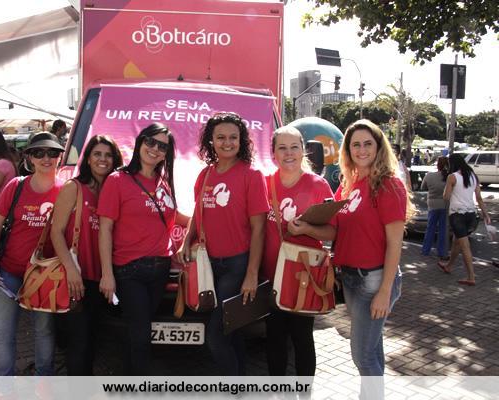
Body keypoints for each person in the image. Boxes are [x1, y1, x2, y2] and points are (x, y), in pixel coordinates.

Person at [179, 112, 269, 376]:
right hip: (208, 264)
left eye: (233, 137)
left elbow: (259, 229)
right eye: (220, 137)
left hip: (236, 266)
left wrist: (251, 274)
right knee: (232, 330)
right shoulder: (205, 175)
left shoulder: (252, 175)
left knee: (215, 336)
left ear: (242, 141)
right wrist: (186, 240)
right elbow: (198, 213)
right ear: (211, 141)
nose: (227, 143)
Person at [98, 123, 186, 375]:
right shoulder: (117, 180)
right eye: (150, 141)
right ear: (140, 142)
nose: (155, 149)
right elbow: (105, 229)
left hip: (161, 268)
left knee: (139, 330)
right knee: (141, 332)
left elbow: (175, 217)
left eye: (162, 146)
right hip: (129, 270)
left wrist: (202, 223)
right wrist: (107, 274)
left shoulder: (164, 182)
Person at [0, 132, 64, 375]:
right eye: (39, 153)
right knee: (4, 332)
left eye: (52, 152)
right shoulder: (16, 186)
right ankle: (5, 386)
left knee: (44, 330)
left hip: (45, 275)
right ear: (29, 158)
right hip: (9, 272)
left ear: (60, 156)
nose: (46, 158)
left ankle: (44, 381)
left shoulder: (67, 190)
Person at [332, 120, 412, 388]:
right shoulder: (349, 183)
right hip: (350, 278)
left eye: (368, 143)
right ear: (348, 150)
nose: (362, 149)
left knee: (362, 356)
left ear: (379, 147)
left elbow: (395, 244)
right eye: (355, 144)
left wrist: (385, 292)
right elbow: (336, 226)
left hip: (375, 281)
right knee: (372, 349)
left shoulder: (389, 185)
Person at [261, 126, 335, 377]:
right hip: (271, 277)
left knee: (302, 339)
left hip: (304, 278)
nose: (289, 153)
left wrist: (307, 229)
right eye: (282, 148)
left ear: (303, 151)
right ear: (273, 153)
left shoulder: (318, 185)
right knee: (274, 339)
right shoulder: (264, 183)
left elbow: (332, 232)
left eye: (294, 147)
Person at [50, 135, 123, 375]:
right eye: (97, 154)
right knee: (79, 343)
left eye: (108, 155)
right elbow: (56, 232)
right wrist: (71, 270)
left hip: (101, 279)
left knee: (92, 339)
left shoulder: (112, 191)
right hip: (77, 277)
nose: (103, 159)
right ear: (88, 159)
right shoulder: (74, 188)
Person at [437, 153, 491, 286]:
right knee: (456, 241)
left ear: (452, 164)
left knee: (465, 247)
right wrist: (486, 214)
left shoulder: (452, 177)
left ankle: (471, 277)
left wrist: (449, 189)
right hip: (471, 214)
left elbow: (446, 197)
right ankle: (449, 266)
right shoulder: (473, 176)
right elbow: (479, 198)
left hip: (457, 215)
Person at [420, 156, 449, 259]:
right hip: (445, 204)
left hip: (432, 204)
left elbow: (423, 187)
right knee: (442, 229)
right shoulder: (449, 177)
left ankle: (425, 250)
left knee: (430, 228)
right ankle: (441, 251)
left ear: (438, 165)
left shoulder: (429, 176)